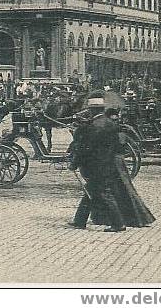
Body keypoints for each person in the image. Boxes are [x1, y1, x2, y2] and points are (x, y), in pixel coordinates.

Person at [67, 91, 127, 233]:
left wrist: (74, 163)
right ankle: (79, 221)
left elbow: (86, 149)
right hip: (108, 163)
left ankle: (118, 224)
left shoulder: (94, 126)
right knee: (90, 191)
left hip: (97, 166)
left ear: (92, 110)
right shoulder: (110, 123)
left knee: (104, 193)